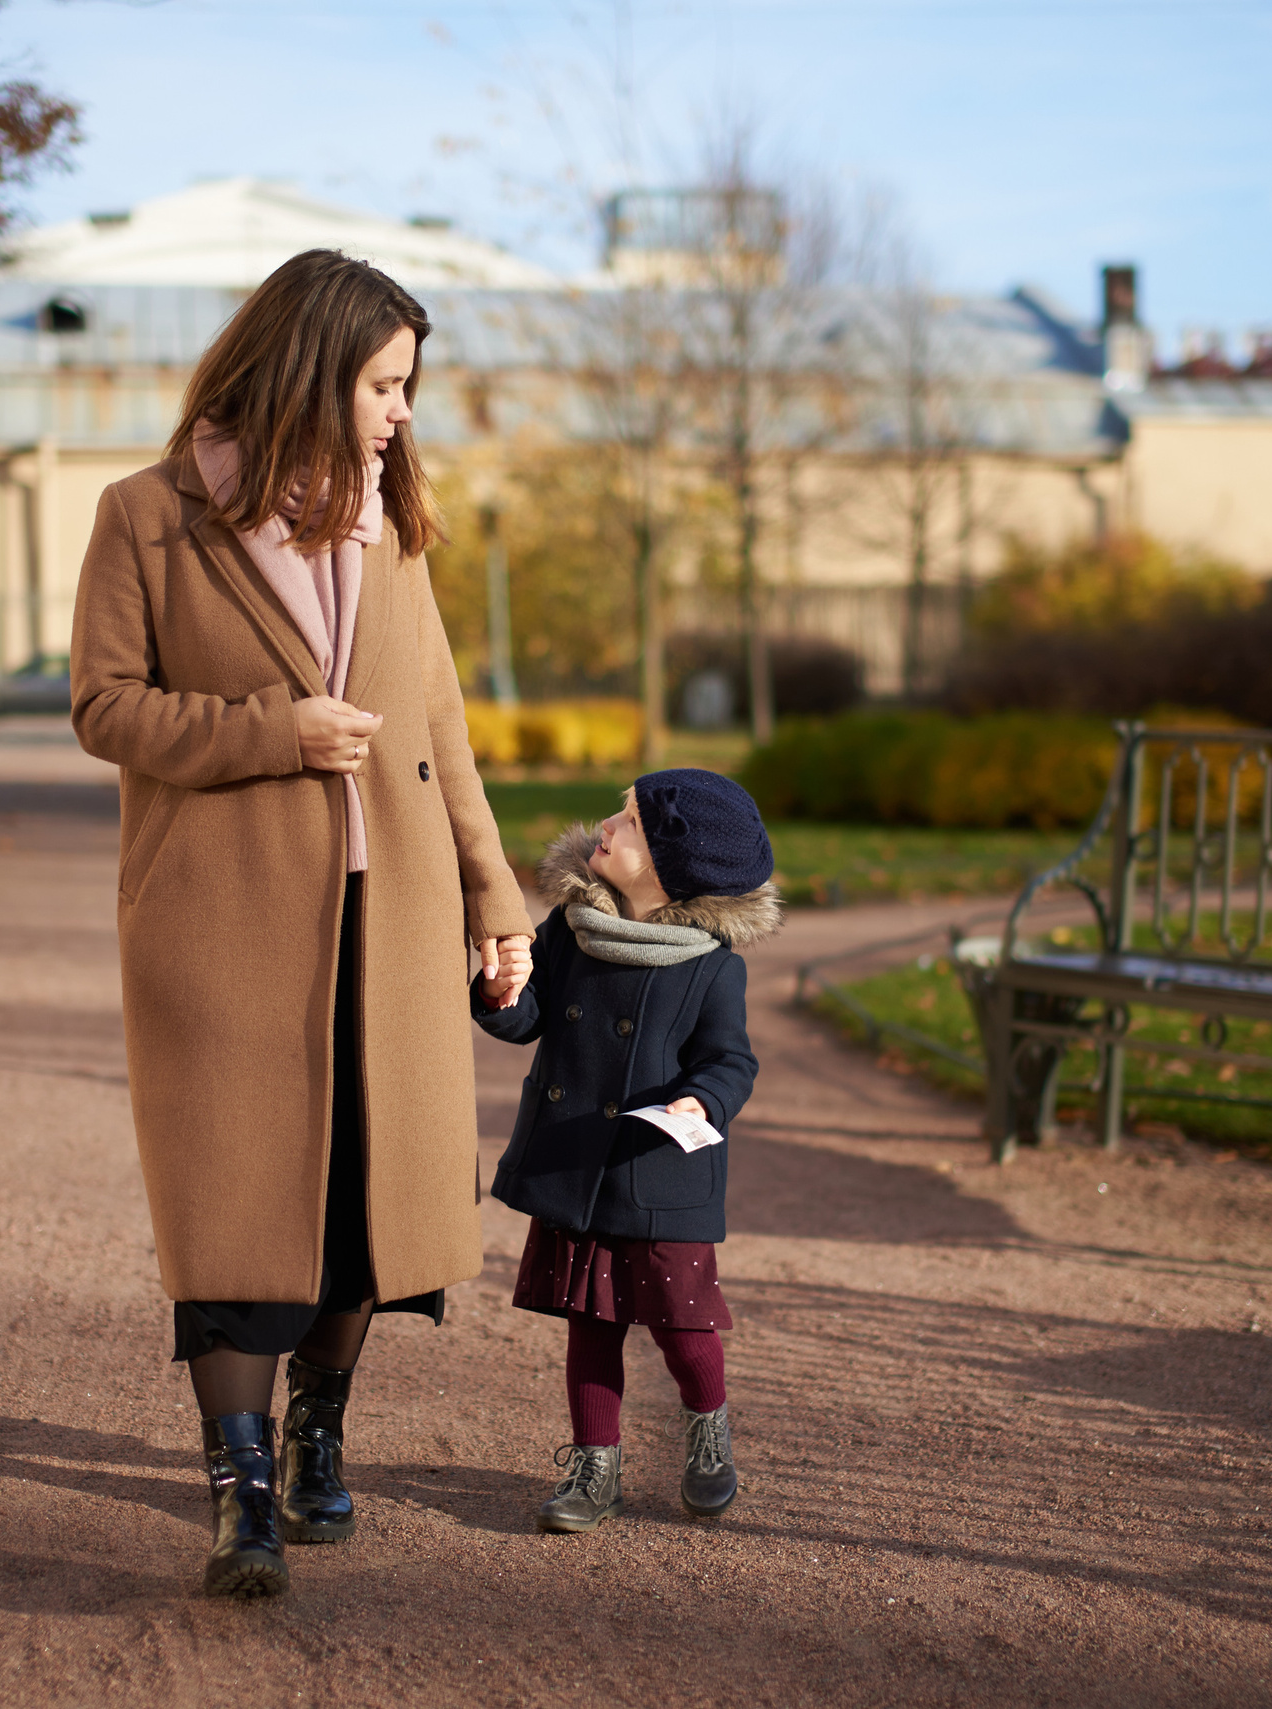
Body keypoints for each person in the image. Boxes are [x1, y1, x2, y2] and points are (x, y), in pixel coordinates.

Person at [69, 248, 536, 1600]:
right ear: (310, 365)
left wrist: (496, 894)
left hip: (387, 923)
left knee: (361, 1202)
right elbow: (104, 708)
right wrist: (271, 736)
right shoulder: (146, 516)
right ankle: (240, 1489)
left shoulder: (392, 522)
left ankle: (318, 1430)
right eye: (384, 382)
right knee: (233, 1202)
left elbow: (439, 722)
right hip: (219, 923)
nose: (400, 411)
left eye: (407, 385)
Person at [471, 770, 781, 1533]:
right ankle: (594, 1465)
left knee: (683, 1329)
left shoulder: (712, 966)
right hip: (580, 1169)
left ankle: (707, 1426)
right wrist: (502, 991)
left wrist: (702, 1099)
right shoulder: (571, 928)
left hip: (661, 1175)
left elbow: (731, 1062)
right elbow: (527, 1017)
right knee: (591, 1325)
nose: (607, 823)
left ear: (673, 866)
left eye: (633, 820)